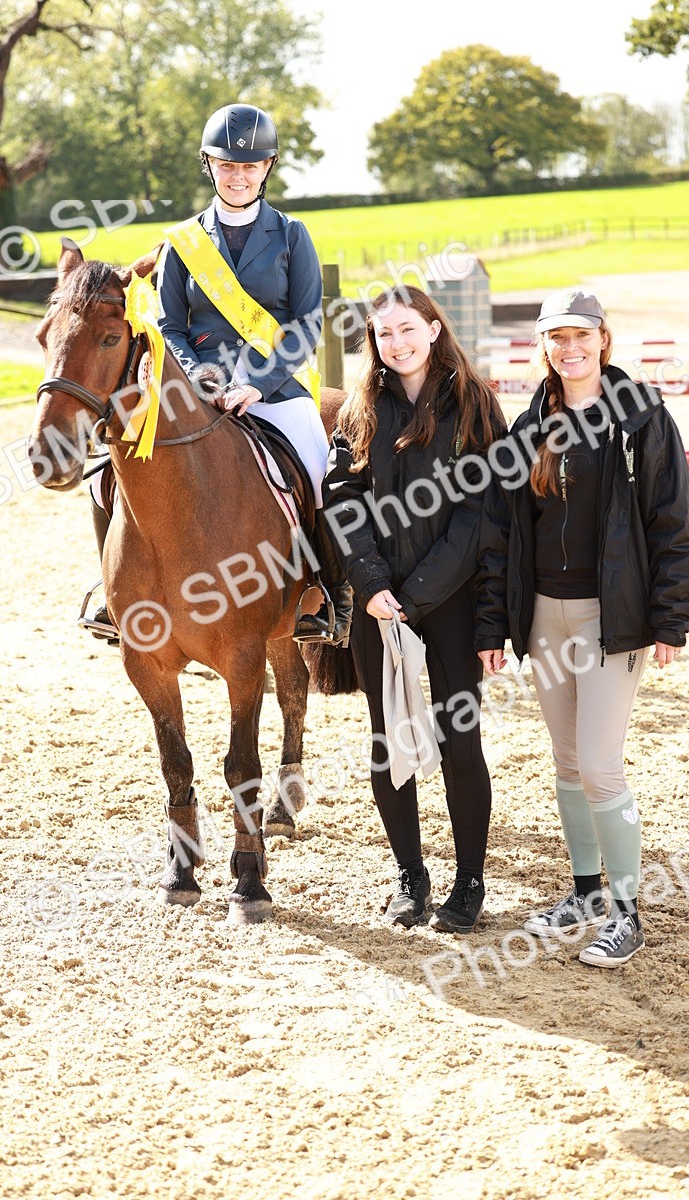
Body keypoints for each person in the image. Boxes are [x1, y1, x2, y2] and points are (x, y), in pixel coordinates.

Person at [476, 288, 689, 968]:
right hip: (543, 615)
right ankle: (586, 891)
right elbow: (501, 532)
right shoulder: (527, 427)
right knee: (567, 765)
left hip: (612, 618)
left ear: (603, 340)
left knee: (599, 765)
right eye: (556, 338)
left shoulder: (643, 419)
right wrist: (491, 626)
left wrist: (669, 619)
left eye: (581, 336)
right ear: (543, 347)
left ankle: (627, 913)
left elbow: (672, 523)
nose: (570, 349)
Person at [322, 285, 506, 932]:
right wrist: (371, 586)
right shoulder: (360, 408)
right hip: (379, 607)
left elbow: (484, 512)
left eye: (406, 330)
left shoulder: (475, 404)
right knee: (389, 739)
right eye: (383, 334)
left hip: (449, 603)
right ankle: (410, 876)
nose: (395, 344)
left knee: (460, 739)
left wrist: (420, 592)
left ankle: (469, 881)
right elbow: (341, 498)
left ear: (433, 328)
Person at [150, 101, 351, 646]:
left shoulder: (291, 235)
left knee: (320, 478)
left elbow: (308, 322)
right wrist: (200, 379)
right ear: (208, 165)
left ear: (267, 168)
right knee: (116, 472)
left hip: (277, 389)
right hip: (198, 392)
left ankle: (328, 594)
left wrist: (256, 385)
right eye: (227, 165)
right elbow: (169, 325)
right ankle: (117, 592)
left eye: (250, 166)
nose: (238, 176)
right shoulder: (181, 242)